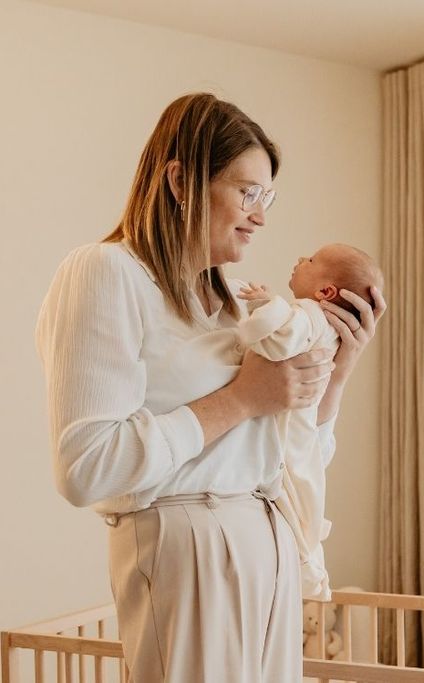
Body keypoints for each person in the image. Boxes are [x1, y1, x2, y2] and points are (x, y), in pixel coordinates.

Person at [35, 93, 386, 682]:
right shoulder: (105, 271)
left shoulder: (232, 303)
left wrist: (338, 370)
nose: (261, 216)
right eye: (248, 192)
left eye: (266, 197)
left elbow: (289, 455)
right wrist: (242, 398)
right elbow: (85, 466)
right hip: (187, 554)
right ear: (180, 180)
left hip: (268, 544)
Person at [235, 244, 384, 602]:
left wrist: (340, 373)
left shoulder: (306, 316)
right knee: (304, 497)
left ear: (327, 292)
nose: (301, 259)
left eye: (312, 260)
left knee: (302, 492)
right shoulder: (310, 319)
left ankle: (308, 559)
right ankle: (309, 559)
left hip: (281, 458)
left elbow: (280, 336)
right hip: (251, 501)